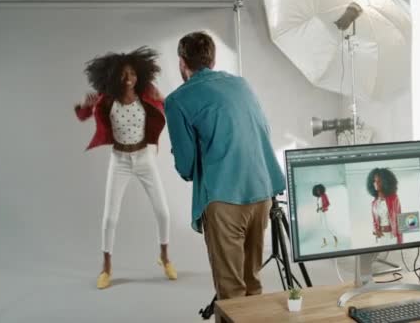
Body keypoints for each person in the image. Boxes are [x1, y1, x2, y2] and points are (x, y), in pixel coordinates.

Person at [164, 31, 285, 300]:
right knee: (252, 285)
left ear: (182, 62)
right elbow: (262, 129)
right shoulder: (242, 85)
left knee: (231, 293)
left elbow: (185, 167)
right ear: (212, 59)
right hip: (262, 192)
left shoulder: (176, 101)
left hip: (224, 199)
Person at [74, 47, 177, 289]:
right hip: (119, 160)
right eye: (123, 75)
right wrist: (84, 105)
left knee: (163, 212)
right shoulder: (106, 98)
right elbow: (82, 115)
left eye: (132, 74)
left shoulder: (146, 95)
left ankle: (164, 258)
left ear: (139, 75)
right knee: (110, 217)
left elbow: (169, 107)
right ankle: (106, 268)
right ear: (114, 77)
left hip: (144, 159)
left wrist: (163, 98)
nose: (129, 79)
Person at [366, 168, 403, 245]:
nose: (376, 184)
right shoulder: (374, 203)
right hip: (381, 237)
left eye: (379, 181)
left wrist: (400, 241)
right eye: (374, 181)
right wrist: (375, 230)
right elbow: (374, 221)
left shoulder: (394, 198)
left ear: (385, 182)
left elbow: (400, 220)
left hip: (392, 236)